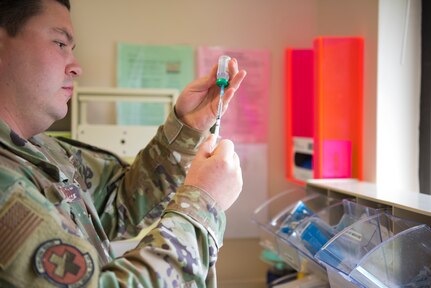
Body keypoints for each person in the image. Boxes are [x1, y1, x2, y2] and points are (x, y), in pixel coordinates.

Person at [0, 0, 247, 287]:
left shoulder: (41, 150)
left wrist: (188, 127)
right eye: (59, 44)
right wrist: (201, 204)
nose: (77, 67)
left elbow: (121, 203)